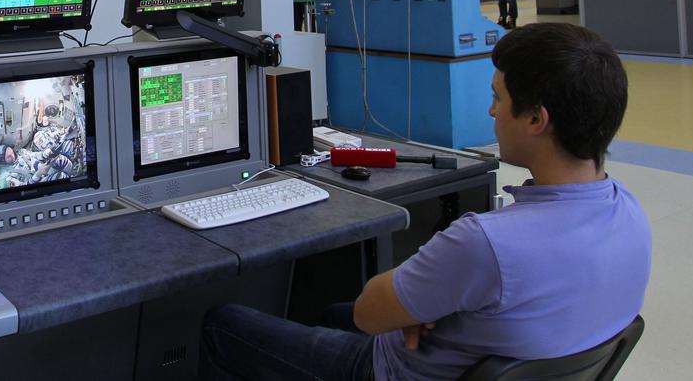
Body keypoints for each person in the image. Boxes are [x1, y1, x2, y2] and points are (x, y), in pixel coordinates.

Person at [199, 23, 651, 381]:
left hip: (387, 370)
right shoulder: (630, 214)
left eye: (499, 98)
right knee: (326, 312)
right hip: (477, 356)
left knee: (224, 323)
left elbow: (369, 313)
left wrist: (419, 307)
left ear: (536, 118)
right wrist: (428, 304)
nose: (492, 112)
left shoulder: (485, 244)